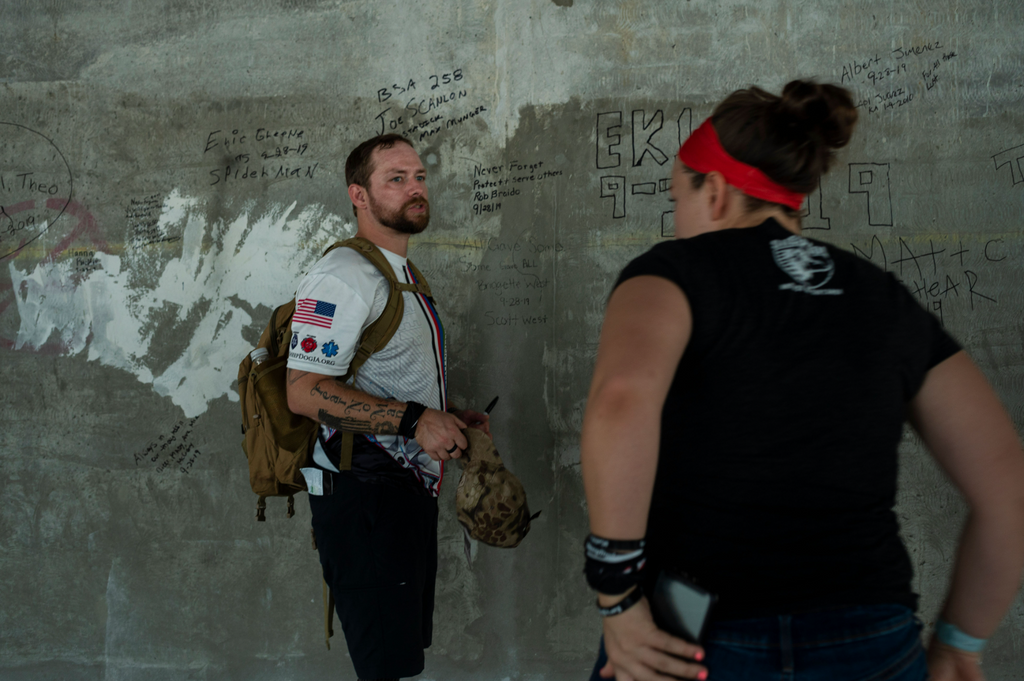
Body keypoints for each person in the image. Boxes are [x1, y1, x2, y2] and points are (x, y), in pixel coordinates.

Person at [579, 80, 1024, 681]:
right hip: (872, 638)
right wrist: (959, 643)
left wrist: (618, 598)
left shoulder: (671, 274)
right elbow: (1009, 491)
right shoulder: (883, 298)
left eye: (675, 197)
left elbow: (620, 401)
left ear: (712, 191)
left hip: (700, 641)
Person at [286, 134, 490, 681]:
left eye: (419, 177)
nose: (414, 189)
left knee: (397, 661)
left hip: (405, 494)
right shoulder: (342, 277)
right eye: (395, 179)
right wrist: (413, 420)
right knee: (383, 667)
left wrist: (445, 413)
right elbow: (303, 390)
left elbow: (386, 377)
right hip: (365, 494)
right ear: (359, 194)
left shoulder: (403, 275)